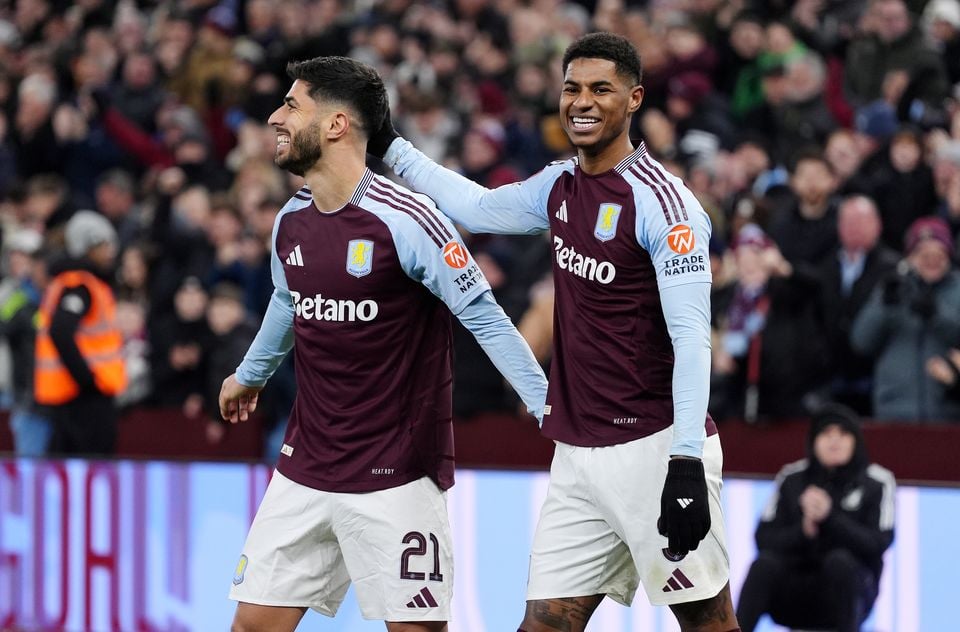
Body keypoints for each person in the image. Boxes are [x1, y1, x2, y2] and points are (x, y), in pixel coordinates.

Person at [370, 32, 739, 632]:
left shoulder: (665, 205)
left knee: (706, 622)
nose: (582, 102)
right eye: (572, 88)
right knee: (546, 623)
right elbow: (482, 208)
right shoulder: (560, 185)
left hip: (654, 447)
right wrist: (393, 147)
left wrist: (686, 460)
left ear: (635, 98)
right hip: (578, 454)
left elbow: (693, 338)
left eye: (601, 89)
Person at [219, 56, 547, 632]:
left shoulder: (410, 219)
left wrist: (548, 405)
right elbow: (286, 301)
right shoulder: (289, 221)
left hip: (396, 473)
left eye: (292, 105)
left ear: (337, 124)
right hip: (306, 467)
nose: (276, 117)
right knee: (252, 625)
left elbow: (484, 317)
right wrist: (251, 373)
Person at [735, 404, 896, 632]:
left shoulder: (877, 482)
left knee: (839, 562)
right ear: (814, 441)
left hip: (850, 592)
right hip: (796, 590)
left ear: (856, 441)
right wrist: (803, 531)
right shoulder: (791, 478)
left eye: (843, 434)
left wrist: (830, 518)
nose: (834, 441)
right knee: (763, 566)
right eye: (826, 434)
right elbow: (763, 539)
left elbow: (879, 542)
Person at [34, 210, 127, 455]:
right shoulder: (79, 286)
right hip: (82, 399)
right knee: (90, 469)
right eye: (103, 245)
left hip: (77, 397)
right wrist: (88, 380)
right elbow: (60, 331)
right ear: (87, 247)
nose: (110, 252)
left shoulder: (77, 282)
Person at [851, 216, 960, 421]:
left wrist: (937, 315)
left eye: (938, 254)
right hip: (895, 408)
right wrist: (882, 306)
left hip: (946, 409)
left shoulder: (957, 290)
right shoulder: (894, 287)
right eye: (923, 254)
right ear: (910, 257)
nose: (931, 261)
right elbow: (861, 342)